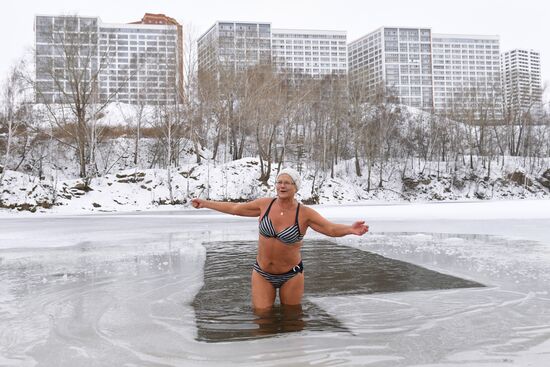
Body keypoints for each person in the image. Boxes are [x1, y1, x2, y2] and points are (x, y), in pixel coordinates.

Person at [191, 168, 369, 310]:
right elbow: (236, 208)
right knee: (262, 317)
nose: (282, 186)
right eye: (279, 182)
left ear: (295, 187)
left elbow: (329, 228)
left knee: (292, 318)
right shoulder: (264, 205)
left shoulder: (304, 213)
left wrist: (350, 229)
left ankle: (291, 354)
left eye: (287, 183)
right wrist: (206, 203)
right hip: (262, 273)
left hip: (291, 275)